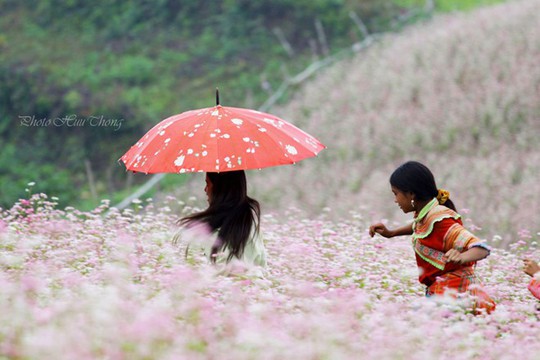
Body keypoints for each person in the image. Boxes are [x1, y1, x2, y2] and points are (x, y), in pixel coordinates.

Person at [369, 161, 496, 314]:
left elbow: (481, 249)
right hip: (443, 292)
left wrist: (461, 257)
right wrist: (391, 233)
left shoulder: (441, 220)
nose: (395, 200)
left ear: (411, 194)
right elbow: (419, 226)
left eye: (396, 193)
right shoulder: (426, 214)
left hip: (457, 296)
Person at [177, 170, 267, 269]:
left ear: (220, 189)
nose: (205, 189)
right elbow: (262, 266)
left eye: (208, 183)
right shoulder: (251, 224)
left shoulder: (211, 235)